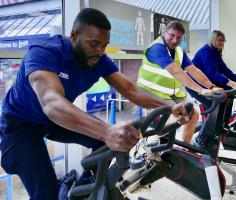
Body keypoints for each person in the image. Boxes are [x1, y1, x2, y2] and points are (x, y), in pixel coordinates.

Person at [0, 8, 192, 200]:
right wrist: (106, 131)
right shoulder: (44, 52)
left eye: (104, 45)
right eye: (94, 44)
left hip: (53, 121)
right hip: (20, 126)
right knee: (46, 194)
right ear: (74, 35)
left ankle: (84, 191)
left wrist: (168, 106)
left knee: (102, 143)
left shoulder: (98, 59)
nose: (100, 51)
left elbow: (131, 90)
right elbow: (51, 102)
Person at [137, 21, 223, 144]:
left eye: (178, 37)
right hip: (150, 93)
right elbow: (176, 71)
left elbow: (193, 70)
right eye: (171, 35)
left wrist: (211, 86)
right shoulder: (157, 48)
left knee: (193, 115)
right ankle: (148, 145)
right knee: (176, 116)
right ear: (164, 32)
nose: (174, 40)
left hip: (171, 95)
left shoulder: (179, 51)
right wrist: (202, 90)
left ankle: (185, 146)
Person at [186, 30, 236, 147]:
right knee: (213, 109)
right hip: (195, 85)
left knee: (228, 97)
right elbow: (213, 73)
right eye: (219, 40)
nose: (222, 43)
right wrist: (230, 83)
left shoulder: (216, 52)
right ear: (213, 39)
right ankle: (200, 140)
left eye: (223, 40)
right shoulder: (206, 52)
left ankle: (222, 128)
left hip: (206, 83)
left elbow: (224, 69)